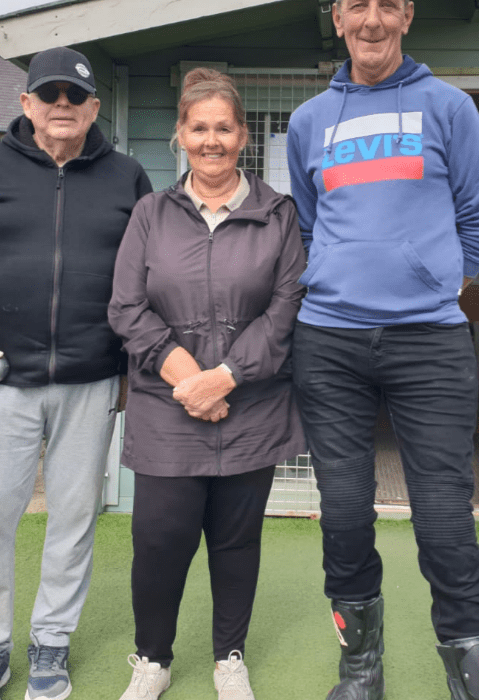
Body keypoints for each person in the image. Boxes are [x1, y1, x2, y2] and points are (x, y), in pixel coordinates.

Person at [286, 0, 479, 700]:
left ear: (407, 16)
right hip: (329, 342)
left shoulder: (448, 108)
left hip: (429, 342)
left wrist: (434, 281)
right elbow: (310, 225)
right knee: (345, 514)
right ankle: (361, 670)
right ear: (338, 18)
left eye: (387, 4)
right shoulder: (309, 121)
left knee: (443, 520)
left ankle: (471, 677)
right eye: (359, 5)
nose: (372, 19)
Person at [0, 46, 152, 700]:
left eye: (74, 95)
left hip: (92, 380)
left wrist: (132, 367)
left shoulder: (127, 177)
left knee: (74, 518)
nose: (62, 105)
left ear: (94, 107)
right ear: (25, 103)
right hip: (5, 379)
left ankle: (51, 642)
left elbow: (147, 277)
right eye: (49, 94)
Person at [108, 68, 307, 700]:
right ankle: (153, 660)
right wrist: (191, 379)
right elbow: (126, 308)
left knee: (235, 541)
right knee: (159, 540)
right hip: (167, 406)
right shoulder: (151, 213)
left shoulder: (278, 215)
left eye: (223, 128)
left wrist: (225, 378)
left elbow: (286, 309)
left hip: (252, 407)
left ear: (242, 135)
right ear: (180, 135)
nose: (211, 140)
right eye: (199, 128)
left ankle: (229, 658)